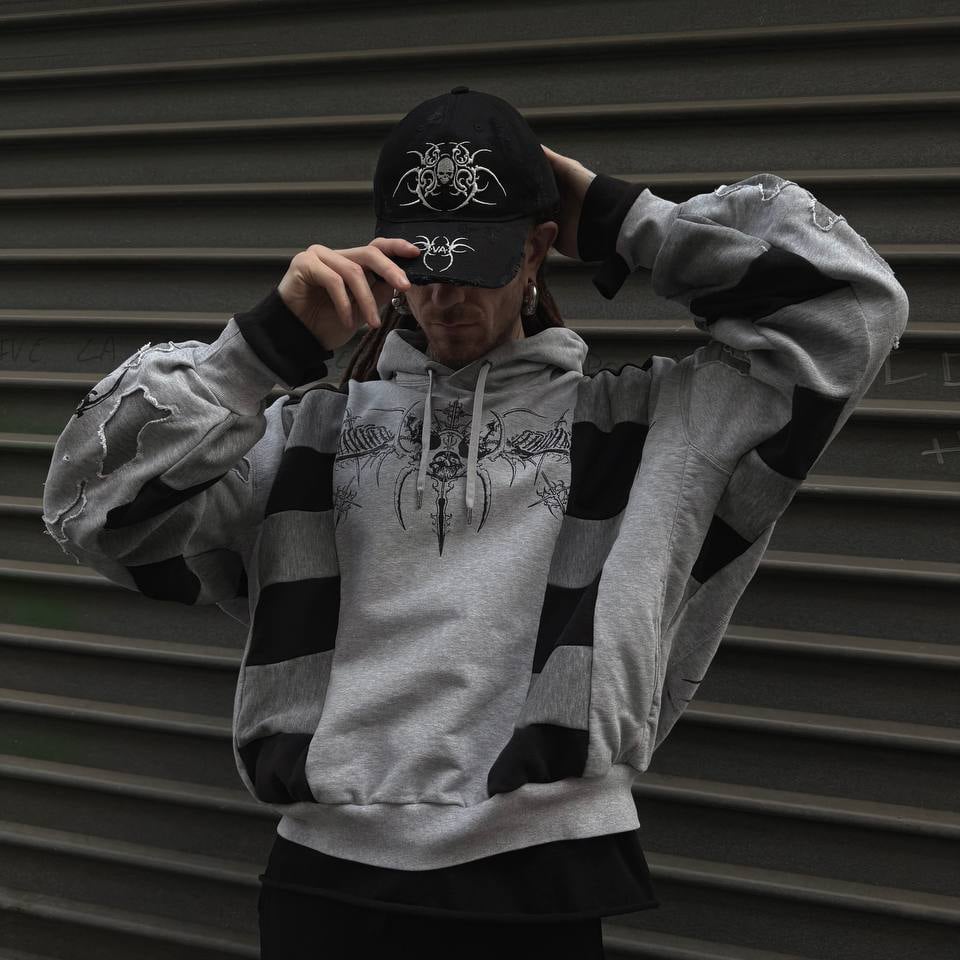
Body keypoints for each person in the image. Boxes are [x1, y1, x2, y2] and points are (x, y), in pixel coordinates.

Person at [41, 87, 909, 958]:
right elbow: (90, 514)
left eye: (478, 262)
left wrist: (620, 218)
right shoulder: (304, 436)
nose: (446, 295)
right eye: (423, 264)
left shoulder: (649, 431)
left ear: (536, 249)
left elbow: (854, 310)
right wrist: (258, 348)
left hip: (539, 878)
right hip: (325, 880)